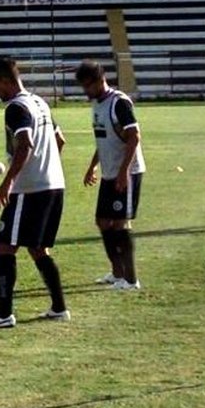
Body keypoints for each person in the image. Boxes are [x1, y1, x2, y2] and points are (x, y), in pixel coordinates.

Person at [0, 58, 69, 329]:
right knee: (39, 248)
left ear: (6, 80)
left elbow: (25, 145)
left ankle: (4, 315)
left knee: (4, 246)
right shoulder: (39, 102)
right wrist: (46, 167)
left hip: (29, 189)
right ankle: (59, 308)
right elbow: (59, 140)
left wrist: (8, 183)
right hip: (53, 184)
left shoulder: (16, 107)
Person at [76, 60, 146, 291]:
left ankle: (131, 279)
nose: (86, 91)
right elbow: (104, 138)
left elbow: (134, 137)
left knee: (119, 223)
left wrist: (124, 172)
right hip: (109, 172)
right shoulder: (97, 104)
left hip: (127, 172)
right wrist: (92, 166)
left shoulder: (119, 103)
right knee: (103, 222)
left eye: (88, 86)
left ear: (99, 80)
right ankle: (117, 273)